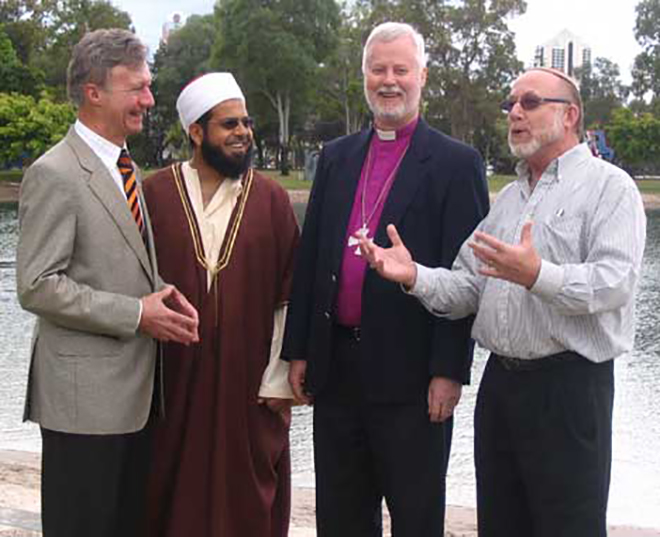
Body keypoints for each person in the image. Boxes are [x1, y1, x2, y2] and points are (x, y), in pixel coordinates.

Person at [358, 67, 647, 537]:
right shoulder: (510, 199)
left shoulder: (610, 188)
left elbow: (612, 284)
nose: (514, 112)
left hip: (569, 390)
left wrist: (537, 275)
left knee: (566, 526)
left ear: (570, 114)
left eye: (530, 102)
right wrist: (413, 276)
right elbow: (468, 288)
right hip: (501, 390)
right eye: (510, 104)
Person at [282, 22, 489, 536]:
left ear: (422, 75)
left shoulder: (456, 163)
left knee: (416, 519)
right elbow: (311, 260)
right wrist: (299, 350)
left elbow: (469, 279)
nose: (389, 81)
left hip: (414, 379)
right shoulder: (336, 157)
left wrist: (450, 369)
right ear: (364, 77)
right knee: (341, 517)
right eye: (378, 70)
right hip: (337, 372)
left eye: (401, 69)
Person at [16, 29, 199, 537]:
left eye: (148, 86)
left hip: (134, 399)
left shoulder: (126, 169)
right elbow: (37, 285)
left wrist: (162, 294)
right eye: (136, 87)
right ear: (94, 92)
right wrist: (139, 315)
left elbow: (117, 262)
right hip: (82, 406)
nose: (149, 99)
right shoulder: (54, 173)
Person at [143, 72, 299, 537]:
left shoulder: (271, 199)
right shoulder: (155, 194)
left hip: (249, 388)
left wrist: (280, 381)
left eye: (246, 124)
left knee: (247, 502)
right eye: (229, 124)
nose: (243, 133)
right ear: (196, 132)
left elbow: (289, 296)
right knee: (168, 494)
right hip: (172, 385)